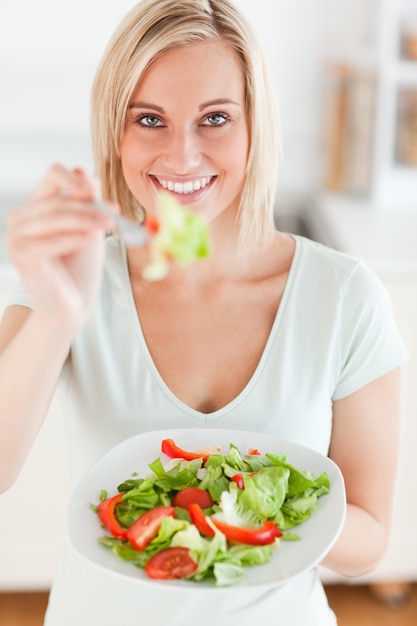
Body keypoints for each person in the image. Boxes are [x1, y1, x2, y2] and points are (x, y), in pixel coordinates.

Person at [0, 0, 408, 624]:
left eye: (214, 118)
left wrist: (255, 501)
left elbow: (369, 543)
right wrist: (58, 313)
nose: (183, 156)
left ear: (255, 127)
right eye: (150, 119)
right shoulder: (70, 278)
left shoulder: (346, 295)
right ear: (116, 130)